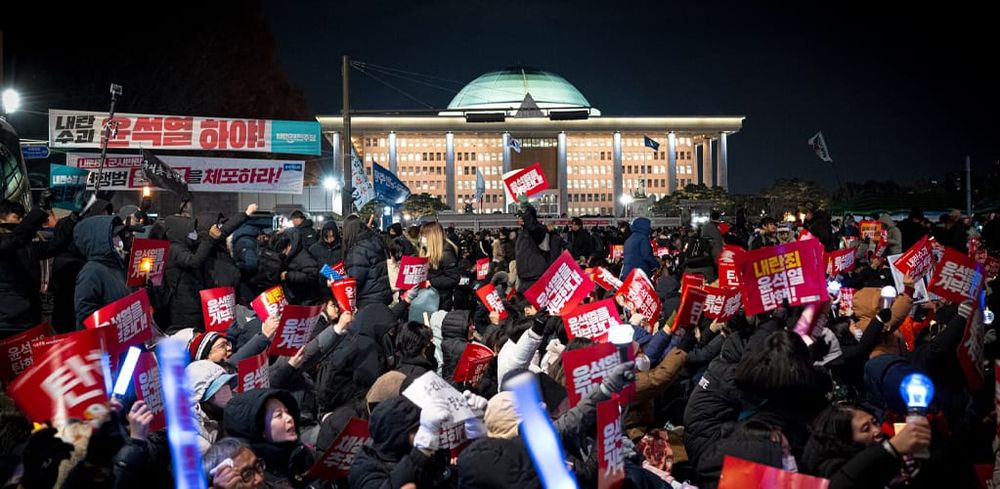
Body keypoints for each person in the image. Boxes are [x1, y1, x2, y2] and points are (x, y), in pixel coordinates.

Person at [801, 403, 931, 488]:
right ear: (846, 440)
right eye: (865, 429)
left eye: (875, 422)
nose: (877, 430)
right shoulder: (833, 471)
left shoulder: (876, 448)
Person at [0, 195, 72, 338]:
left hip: (29, 318)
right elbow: (13, 241)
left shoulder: (26, 245)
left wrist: (73, 219)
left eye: (23, 218)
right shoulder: (10, 243)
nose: (21, 221)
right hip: (5, 322)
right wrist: (39, 210)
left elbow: (55, 245)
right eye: (16, 217)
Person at [223, 389, 317, 488]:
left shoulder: (302, 453)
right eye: (279, 415)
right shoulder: (254, 480)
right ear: (261, 429)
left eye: (287, 412)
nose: (289, 418)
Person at [73, 215, 130, 329]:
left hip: (122, 338)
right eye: (114, 235)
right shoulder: (91, 272)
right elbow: (86, 314)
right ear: (100, 240)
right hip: (103, 342)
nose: (119, 239)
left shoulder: (119, 267)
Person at [343, 215, 391, 310]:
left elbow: (356, 280)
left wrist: (341, 280)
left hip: (368, 298)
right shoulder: (375, 240)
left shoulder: (357, 249)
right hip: (383, 293)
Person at [420, 222, 461, 311]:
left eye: (424, 236)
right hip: (429, 297)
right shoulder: (427, 249)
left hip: (440, 300)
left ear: (432, 237)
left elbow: (453, 278)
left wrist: (431, 282)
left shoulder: (446, 252)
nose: (422, 239)